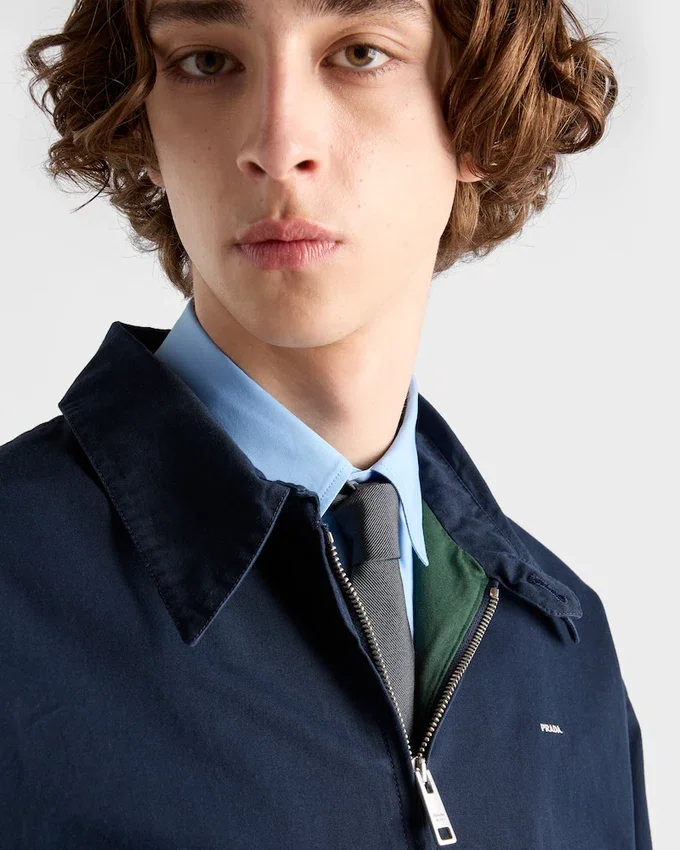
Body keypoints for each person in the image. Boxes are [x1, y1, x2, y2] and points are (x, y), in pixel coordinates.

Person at [1, 0, 652, 847]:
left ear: (481, 120)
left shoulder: (565, 651)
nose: (277, 146)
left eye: (359, 54)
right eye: (207, 61)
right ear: (141, 125)